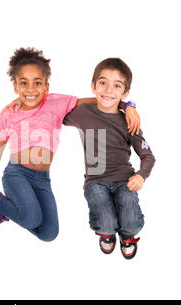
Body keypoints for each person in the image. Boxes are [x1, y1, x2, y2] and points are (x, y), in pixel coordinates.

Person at [0, 48, 140, 242]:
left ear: (46, 86)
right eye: (23, 83)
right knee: (30, 217)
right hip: (16, 174)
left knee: (48, 234)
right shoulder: (9, 114)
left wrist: (128, 106)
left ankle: (7, 211)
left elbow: (102, 101)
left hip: (42, 179)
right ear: (15, 86)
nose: (30, 89)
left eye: (37, 83)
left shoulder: (56, 103)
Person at [63, 58, 155, 259]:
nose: (108, 90)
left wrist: (141, 176)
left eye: (117, 85)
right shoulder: (82, 113)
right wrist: (127, 104)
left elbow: (148, 156)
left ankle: (127, 235)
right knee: (105, 223)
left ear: (125, 92)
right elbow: (56, 108)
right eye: (103, 83)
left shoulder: (129, 121)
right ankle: (107, 233)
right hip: (95, 181)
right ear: (93, 86)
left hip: (124, 180)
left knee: (130, 221)